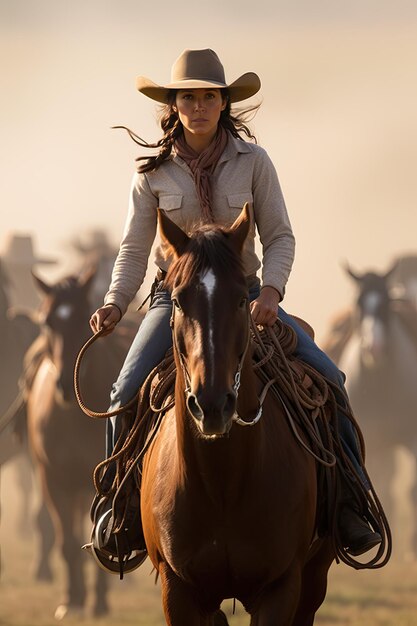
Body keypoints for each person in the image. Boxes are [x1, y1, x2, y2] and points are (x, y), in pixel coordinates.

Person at [88, 48, 382, 572]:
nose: (198, 106)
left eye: (209, 97)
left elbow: (280, 236)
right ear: (173, 106)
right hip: (175, 299)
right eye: (188, 97)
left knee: (330, 378)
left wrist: (271, 292)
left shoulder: (255, 164)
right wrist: (114, 303)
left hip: (245, 296)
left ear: (224, 103)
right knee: (124, 390)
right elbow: (134, 250)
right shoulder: (152, 176)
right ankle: (121, 512)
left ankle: (348, 505)